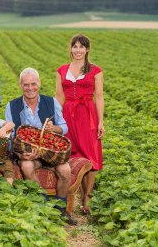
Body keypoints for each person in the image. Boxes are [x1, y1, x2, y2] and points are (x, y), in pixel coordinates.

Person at [5, 67, 77, 225]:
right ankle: (45, 206)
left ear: (39, 83)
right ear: (20, 85)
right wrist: (20, 153)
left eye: (33, 84)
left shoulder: (51, 102)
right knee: (27, 166)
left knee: (65, 170)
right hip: (29, 153)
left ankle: (60, 210)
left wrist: (54, 129)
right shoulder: (11, 106)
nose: (30, 88)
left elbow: (64, 127)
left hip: (50, 152)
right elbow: (11, 137)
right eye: (26, 85)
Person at [55, 34, 105, 215]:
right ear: (70, 49)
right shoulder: (61, 70)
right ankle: (70, 194)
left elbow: (99, 96)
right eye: (74, 46)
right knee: (70, 154)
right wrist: (55, 119)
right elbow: (59, 97)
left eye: (81, 47)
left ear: (87, 49)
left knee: (91, 155)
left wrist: (100, 121)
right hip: (68, 114)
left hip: (87, 114)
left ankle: (87, 196)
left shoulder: (96, 70)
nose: (77, 50)